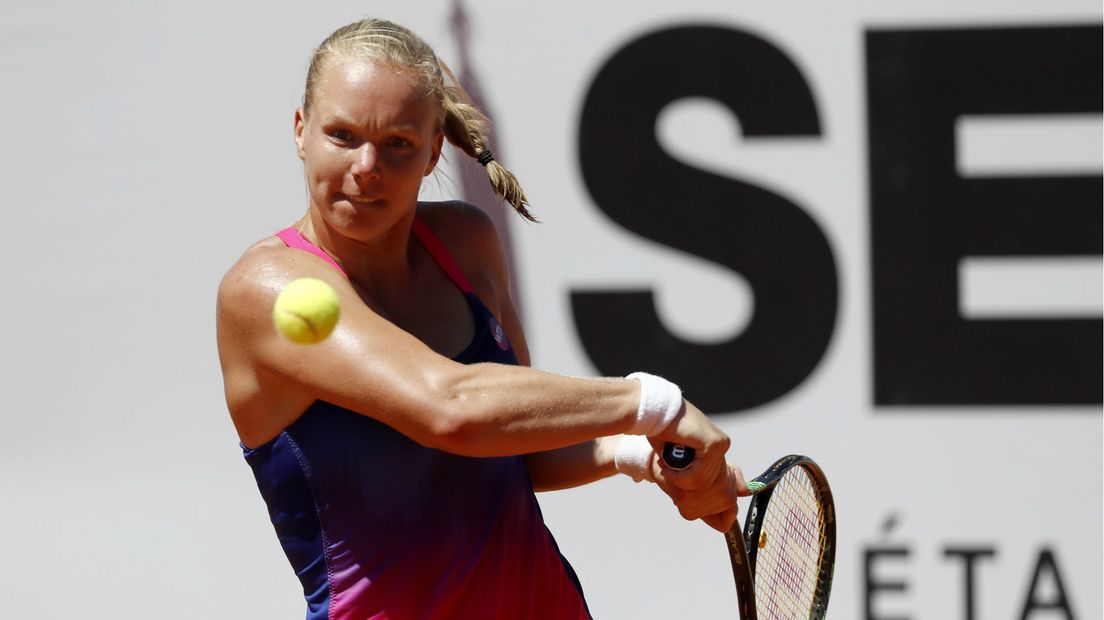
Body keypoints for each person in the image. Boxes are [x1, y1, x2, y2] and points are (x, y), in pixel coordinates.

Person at [216, 17, 747, 620]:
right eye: (342, 135)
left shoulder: (466, 243)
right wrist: (654, 405)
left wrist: (636, 455)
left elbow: (521, 452)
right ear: (300, 132)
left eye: (397, 143)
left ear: (433, 150)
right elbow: (453, 408)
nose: (367, 166)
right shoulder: (264, 291)